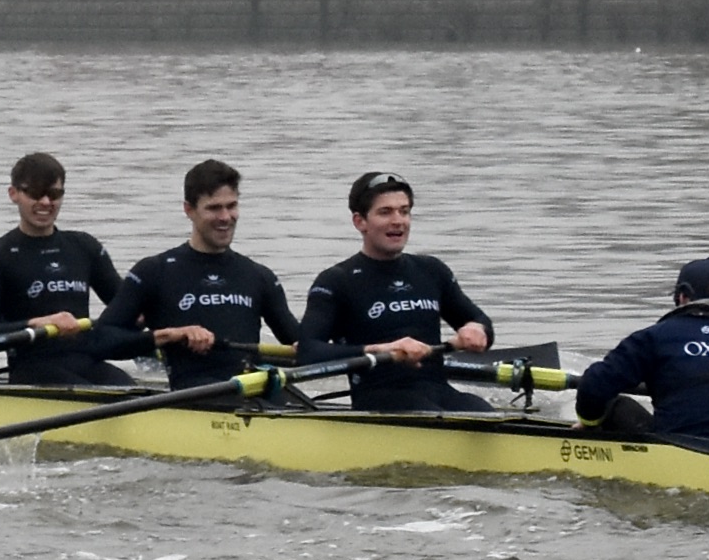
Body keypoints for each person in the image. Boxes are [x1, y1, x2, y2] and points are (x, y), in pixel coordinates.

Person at [298, 169, 494, 412]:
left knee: (484, 411)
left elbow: (481, 321)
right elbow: (308, 351)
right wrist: (380, 349)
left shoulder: (432, 270)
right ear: (360, 222)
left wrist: (478, 329)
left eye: (404, 211)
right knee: (427, 413)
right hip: (380, 398)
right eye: (385, 212)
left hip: (438, 391)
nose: (398, 220)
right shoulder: (336, 281)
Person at [96, 158, 299, 390]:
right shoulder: (154, 272)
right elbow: (100, 341)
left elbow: (302, 345)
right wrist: (169, 336)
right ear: (189, 210)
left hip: (251, 392)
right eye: (214, 208)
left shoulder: (258, 275)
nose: (225, 217)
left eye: (231, 206)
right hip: (193, 397)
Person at [575, 257, 709, 442]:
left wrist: (589, 423)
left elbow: (593, 387)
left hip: (678, 449)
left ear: (682, 296)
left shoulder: (656, 337)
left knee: (616, 406)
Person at [0, 151, 129, 387]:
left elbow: (127, 308)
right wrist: (37, 323)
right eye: (35, 193)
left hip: (87, 362)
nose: (46, 202)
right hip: (32, 369)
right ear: (14, 194)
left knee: (130, 388)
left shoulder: (84, 247)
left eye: (54, 194)